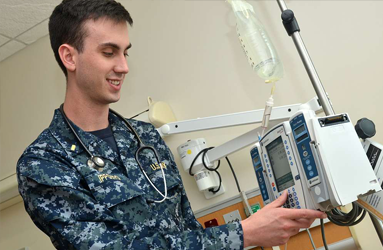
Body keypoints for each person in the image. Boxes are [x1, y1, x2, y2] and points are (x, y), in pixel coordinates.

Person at [17, 0, 327, 249]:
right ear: (70, 57)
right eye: (109, 52)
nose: (124, 66)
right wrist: (242, 235)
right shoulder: (44, 164)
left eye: (125, 53)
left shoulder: (145, 139)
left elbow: (186, 229)